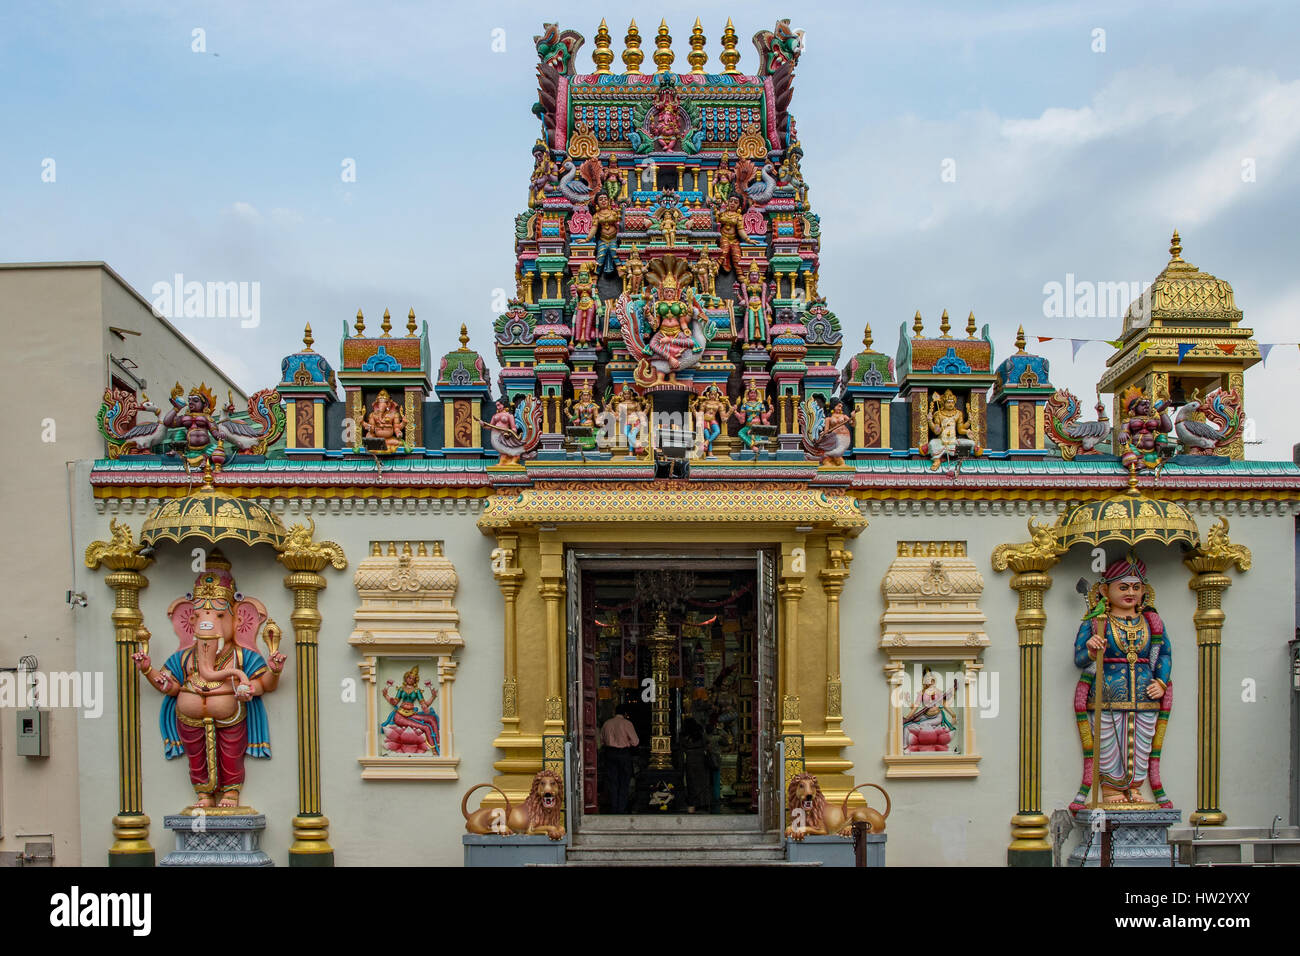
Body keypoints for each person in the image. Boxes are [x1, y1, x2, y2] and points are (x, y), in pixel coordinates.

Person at [600, 704, 639, 813]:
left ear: (614, 712)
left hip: (610, 753)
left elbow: (602, 741)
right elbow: (635, 742)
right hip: (623, 754)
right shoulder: (627, 724)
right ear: (625, 714)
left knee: (613, 782)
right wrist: (627, 743)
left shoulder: (607, 724)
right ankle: (621, 808)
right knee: (624, 782)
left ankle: (614, 807)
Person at [680, 718, 711, 814]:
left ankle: (693, 804)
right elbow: (707, 742)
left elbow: (682, 747)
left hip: (690, 760)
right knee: (703, 782)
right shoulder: (700, 733)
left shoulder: (683, 735)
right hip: (701, 759)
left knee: (691, 783)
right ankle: (704, 803)